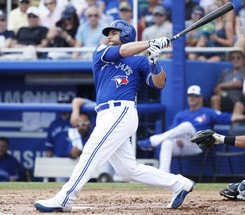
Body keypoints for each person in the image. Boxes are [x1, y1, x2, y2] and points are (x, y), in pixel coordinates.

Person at [34, 20, 194, 212]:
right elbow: (125, 51)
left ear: (126, 35)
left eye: (114, 33)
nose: (109, 36)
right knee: (128, 170)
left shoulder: (140, 61)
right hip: (105, 114)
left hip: (121, 112)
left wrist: (154, 61)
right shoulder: (101, 52)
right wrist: (150, 42)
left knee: (90, 153)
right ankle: (179, 184)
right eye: (109, 33)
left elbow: (158, 83)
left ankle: (64, 198)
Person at [138, 85, 245, 173]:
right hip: (184, 145)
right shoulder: (181, 114)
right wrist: (177, 139)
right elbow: (173, 131)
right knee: (167, 142)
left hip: (200, 144)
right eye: (190, 96)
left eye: (195, 96)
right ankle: (163, 174)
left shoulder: (208, 112)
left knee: (187, 125)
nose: (192, 98)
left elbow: (228, 118)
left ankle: (153, 141)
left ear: (200, 98)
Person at [211, 49, 245, 114]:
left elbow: (240, 84)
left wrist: (222, 86)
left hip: (239, 100)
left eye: (238, 58)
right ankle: (217, 119)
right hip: (225, 98)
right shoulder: (225, 72)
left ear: (244, 60)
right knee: (215, 98)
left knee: (238, 104)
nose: (235, 60)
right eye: (233, 58)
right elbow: (216, 88)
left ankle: (235, 122)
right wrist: (224, 93)